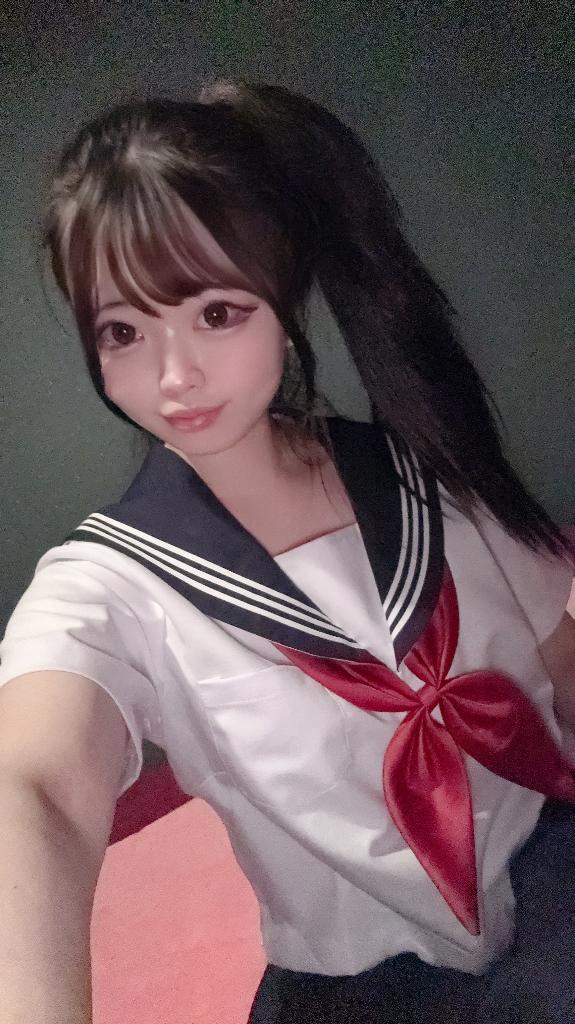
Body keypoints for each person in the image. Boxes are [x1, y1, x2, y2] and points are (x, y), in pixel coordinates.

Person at [0, 77, 574, 1023]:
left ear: (282, 296)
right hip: (362, 979)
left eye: (215, 314)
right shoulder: (108, 586)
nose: (174, 376)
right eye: (124, 331)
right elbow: (40, 787)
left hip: (552, 879)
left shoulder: (423, 469)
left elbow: (556, 657)